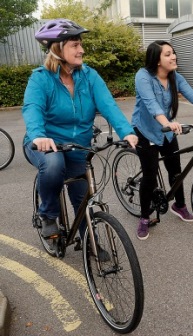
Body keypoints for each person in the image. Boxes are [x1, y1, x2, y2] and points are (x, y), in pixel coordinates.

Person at [22, 19, 138, 245]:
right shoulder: (40, 78)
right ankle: (47, 214)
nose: (81, 49)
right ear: (57, 48)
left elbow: (108, 105)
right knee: (54, 165)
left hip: (77, 146)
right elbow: (32, 108)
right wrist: (38, 135)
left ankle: (89, 244)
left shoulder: (89, 76)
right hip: (45, 144)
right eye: (75, 45)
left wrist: (127, 132)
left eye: (81, 44)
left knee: (83, 196)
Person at [131, 40, 193, 241]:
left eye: (173, 53)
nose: (173, 57)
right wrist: (167, 122)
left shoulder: (175, 77)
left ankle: (179, 205)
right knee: (149, 176)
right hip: (146, 130)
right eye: (167, 54)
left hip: (167, 130)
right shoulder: (143, 76)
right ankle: (144, 217)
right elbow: (151, 104)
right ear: (157, 60)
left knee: (175, 170)